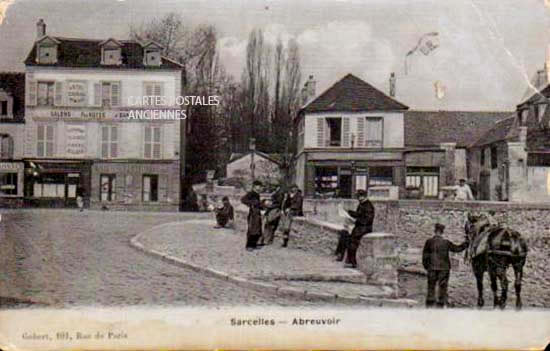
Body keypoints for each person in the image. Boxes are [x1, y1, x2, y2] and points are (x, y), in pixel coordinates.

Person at [422, 223, 469, 308]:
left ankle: (429, 304)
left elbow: (425, 256)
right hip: (444, 268)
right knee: (442, 287)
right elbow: (457, 249)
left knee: (431, 286)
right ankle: (440, 304)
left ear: (435, 231)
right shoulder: (446, 243)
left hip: (432, 268)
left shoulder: (429, 242)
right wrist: (466, 244)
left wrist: (426, 266)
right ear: (442, 232)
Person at [343, 189, 375, 268]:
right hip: (360, 227)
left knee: (353, 242)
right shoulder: (362, 204)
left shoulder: (368, 206)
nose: (358, 198)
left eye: (359, 197)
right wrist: (349, 212)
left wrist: (355, 220)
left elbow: (367, 220)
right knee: (347, 239)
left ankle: (353, 263)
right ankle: (350, 261)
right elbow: (359, 214)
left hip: (364, 228)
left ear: (363, 196)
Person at [241, 180, 263, 251]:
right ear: (254, 187)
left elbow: (258, 204)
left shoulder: (257, 194)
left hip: (257, 213)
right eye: (258, 186)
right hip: (252, 214)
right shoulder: (251, 193)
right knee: (251, 229)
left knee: (257, 229)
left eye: (260, 186)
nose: (259, 188)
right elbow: (243, 200)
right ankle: (248, 245)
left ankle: (254, 244)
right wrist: (252, 203)